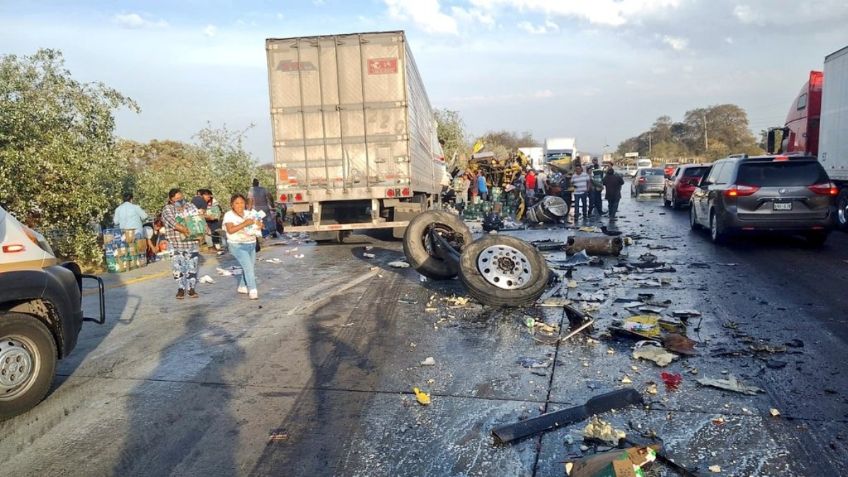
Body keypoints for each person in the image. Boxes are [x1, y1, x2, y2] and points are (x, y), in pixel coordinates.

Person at [161, 188, 202, 299]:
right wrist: (186, 229)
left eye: (181, 198)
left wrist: (200, 231)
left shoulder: (190, 206)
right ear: (171, 200)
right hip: (176, 243)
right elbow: (172, 222)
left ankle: (191, 289)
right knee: (178, 267)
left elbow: (198, 219)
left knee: (192, 267)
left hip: (192, 242)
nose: (180, 200)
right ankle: (181, 288)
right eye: (177, 199)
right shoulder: (167, 209)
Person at [223, 194, 262, 299]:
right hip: (237, 245)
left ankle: (242, 286)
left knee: (249, 267)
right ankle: (253, 289)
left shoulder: (249, 213)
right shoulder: (229, 215)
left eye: (242, 203)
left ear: (245, 203)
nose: (240, 205)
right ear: (232, 205)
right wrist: (245, 223)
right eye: (237, 203)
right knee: (248, 268)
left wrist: (259, 225)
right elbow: (230, 230)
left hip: (251, 243)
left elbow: (259, 225)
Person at [113, 192, 152, 259]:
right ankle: (141, 259)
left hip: (125, 234)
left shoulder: (118, 209)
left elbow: (115, 222)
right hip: (137, 232)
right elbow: (145, 216)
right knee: (139, 248)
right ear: (131, 199)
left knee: (129, 249)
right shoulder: (136, 207)